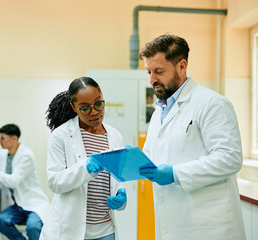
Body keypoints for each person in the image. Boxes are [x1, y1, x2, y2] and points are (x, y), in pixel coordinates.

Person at [138, 34, 246, 240]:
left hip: (208, 228)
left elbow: (229, 158)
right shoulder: (159, 112)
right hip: (172, 224)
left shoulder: (212, 103)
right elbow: (152, 157)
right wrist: (130, 160)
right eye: (149, 72)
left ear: (182, 66)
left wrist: (176, 174)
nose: (152, 79)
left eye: (159, 71)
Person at [39, 77, 127, 240]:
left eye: (98, 104)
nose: (94, 112)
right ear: (74, 107)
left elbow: (115, 178)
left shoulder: (115, 136)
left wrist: (120, 192)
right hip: (70, 230)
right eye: (85, 108)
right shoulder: (61, 135)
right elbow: (54, 182)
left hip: (106, 229)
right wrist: (86, 168)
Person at [0, 124, 50, 240]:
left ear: (14, 138)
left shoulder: (26, 155)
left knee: (33, 227)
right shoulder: (3, 154)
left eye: (3, 138)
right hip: (19, 205)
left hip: (34, 203)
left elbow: (13, 181)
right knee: (1, 220)